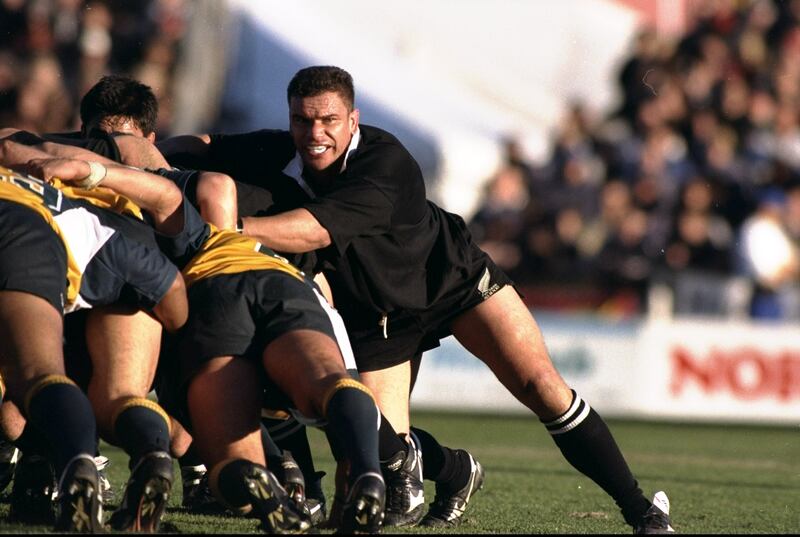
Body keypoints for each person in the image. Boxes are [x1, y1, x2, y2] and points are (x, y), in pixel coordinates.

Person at [159, 65, 675, 533]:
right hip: (378, 316)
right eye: (303, 120)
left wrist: (224, 229)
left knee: (543, 387)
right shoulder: (280, 150)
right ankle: (455, 470)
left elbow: (314, 230)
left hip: (450, 282)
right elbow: (203, 144)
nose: (315, 134)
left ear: (353, 120)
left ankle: (642, 512)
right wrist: (140, 154)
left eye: (329, 121)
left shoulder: (386, 161)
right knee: (377, 444)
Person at [35, 155, 388, 533]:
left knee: (227, 464)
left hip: (205, 296)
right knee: (329, 381)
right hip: (278, 279)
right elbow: (189, 192)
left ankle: (236, 472)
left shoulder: (134, 234)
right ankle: (370, 474)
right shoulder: (189, 220)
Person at [0, 141, 191, 532]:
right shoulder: (117, 205)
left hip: (46, 236)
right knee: (109, 395)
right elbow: (172, 279)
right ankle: (143, 455)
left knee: (24, 396)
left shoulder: (51, 175)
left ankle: (55, 469)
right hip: (59, 243)